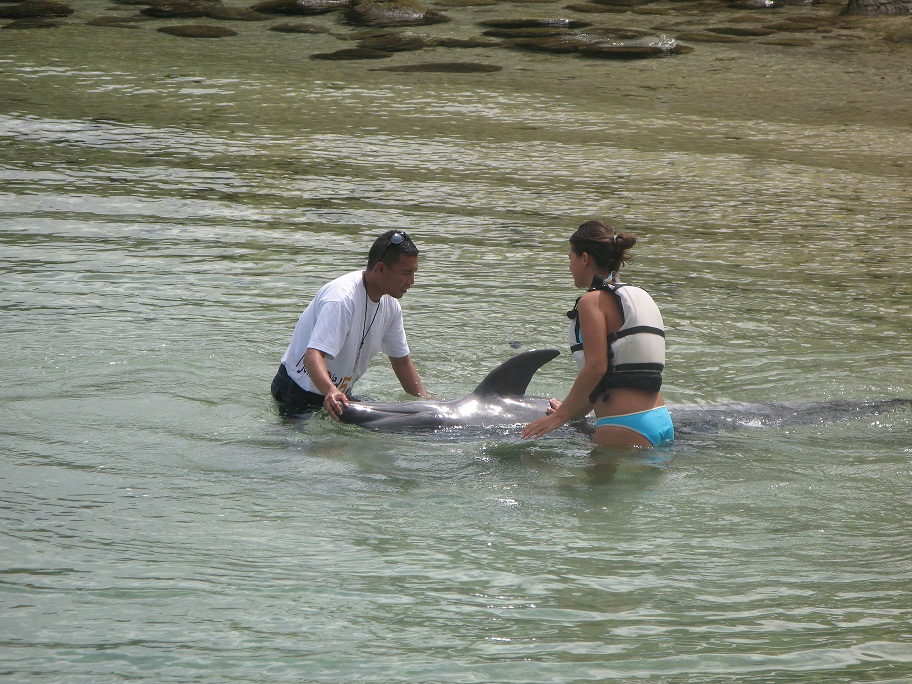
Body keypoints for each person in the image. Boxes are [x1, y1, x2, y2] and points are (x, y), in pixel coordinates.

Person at [521, 220, 673, 447]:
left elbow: (596, 367)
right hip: (660, 419)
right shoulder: (639, 295)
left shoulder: (591, 302)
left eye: (570, 258)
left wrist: (559, 417)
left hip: (622, 425)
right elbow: (607, 380)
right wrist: (571, 412)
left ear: (584, 258)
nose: (569, 266)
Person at [271, 230, 430, 419]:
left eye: (414, 273)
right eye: (406, 273)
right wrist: (331, 391)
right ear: (380, 269)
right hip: (296, 393)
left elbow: (402, 362)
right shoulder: (341, 300)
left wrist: (426, 403)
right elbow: (312, 357)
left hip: (337, 396)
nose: (412, 281)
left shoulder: (391, 306)